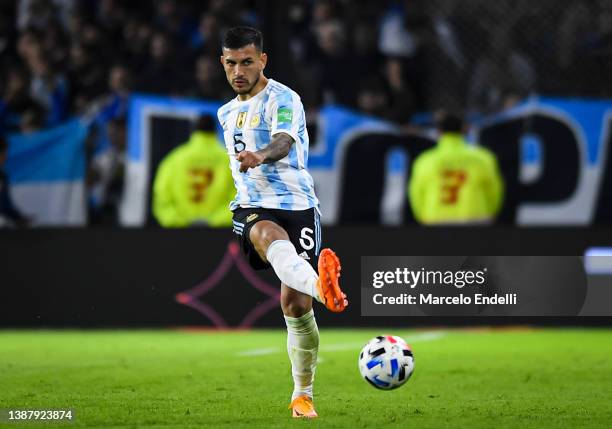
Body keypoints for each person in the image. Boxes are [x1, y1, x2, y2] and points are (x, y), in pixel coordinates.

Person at [217, 26, 347, 419]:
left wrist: (260, 155)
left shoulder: (284, 98)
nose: (238, 70)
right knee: (267, 236)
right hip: (254, 205)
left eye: (246, 62)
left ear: (263, 61)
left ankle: (302, 395)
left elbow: (284, 142)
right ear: (222, 63)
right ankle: (327, 290)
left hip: (298, 205)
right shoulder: (225, 113)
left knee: (294, 303)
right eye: (230, 63)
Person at [408, 112, 504, 224]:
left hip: (435, 218)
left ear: (438, 132)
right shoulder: (484, 158)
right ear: (465, 129)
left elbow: (416, 194)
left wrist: (422, 216)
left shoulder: (424, 160)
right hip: (475, 217)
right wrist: (490, 213)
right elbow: (495, 192)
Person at [152, 115, 234, 228]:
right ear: (216, 130)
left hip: (179, 235)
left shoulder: (173, 159)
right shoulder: (230, 159)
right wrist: (215, 221)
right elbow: (241, 199)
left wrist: (180, 222)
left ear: (193, 130)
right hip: (219, 235)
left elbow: (162, 196)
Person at [0, 137, 30, 227]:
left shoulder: (3, 176)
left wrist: (19, 218)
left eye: (5, 153)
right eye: (2, 154)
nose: (5, 158)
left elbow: (6, 204)